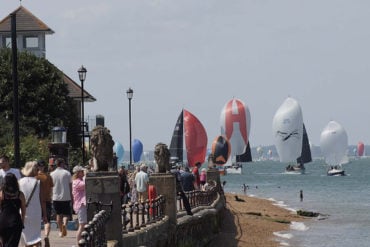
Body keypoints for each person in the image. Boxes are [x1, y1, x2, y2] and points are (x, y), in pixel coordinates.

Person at [19, 161, 47, 247]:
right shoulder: (38, 182)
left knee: (26, 237)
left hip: (23, 212)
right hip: (36, 212)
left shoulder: (19, 181)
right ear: (33, 169)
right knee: (35, 236)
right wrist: (45, 214)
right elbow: (42, 200)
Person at [0, 173, 26, 247]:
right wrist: (22, 221)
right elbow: (23, 210)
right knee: (13, 244)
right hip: (15, 222)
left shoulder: (1, 194)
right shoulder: (20, 194)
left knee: (4, 244)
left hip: (3, 222)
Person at [50, 158, 72, 238]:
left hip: (56, 197)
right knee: (66, 214)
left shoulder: (52, 174)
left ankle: (60, 231)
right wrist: (71, 196)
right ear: (62, 164)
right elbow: (70, 186)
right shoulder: (67, 173)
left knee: (58, 215)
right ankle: (65, 225)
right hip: (66, 196)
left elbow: (51, 187)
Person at [36, 160, 54, 247]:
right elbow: (51, 188)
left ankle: (37, 239)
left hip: (37, 201)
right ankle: (46, 236)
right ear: (44, 167)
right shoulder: (48, 176)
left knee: (37, 221)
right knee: (47, 221)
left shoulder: (35, 177)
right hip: (47, 200)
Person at [72, 165, 87, 246]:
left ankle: (82, 242)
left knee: (84, 225)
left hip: (82, 204)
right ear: (78, 173)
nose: (83, 172)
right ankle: (79, 243)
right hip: (80, 205)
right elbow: (85, 184)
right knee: (82, 225)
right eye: (82, 171)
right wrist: (86, 175)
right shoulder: (77, 182)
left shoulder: (79, 180)